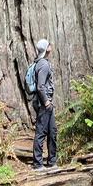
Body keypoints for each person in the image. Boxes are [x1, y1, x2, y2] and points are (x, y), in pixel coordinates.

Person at [32, 38, 57, 170]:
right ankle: (37, 164)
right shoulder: (44, 65)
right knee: (41, 132)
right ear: (46, 48)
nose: (51, 46)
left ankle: (52, 162)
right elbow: (41, 86)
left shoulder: (41, 63)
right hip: (44, 104)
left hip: (47, 104)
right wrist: (47, 102)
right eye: (49, 44)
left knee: (52, 132)